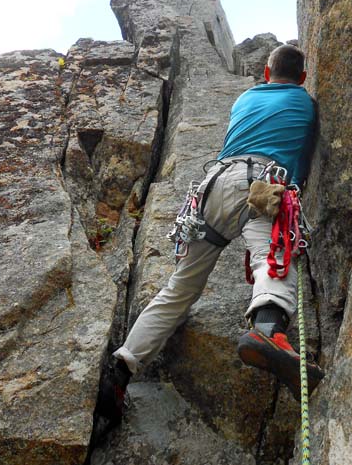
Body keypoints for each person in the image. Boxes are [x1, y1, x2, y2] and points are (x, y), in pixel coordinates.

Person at [97, 44, 324, 424]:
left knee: (179, 288)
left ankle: (122, 369)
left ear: (266, 74)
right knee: (273, 256)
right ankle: (268, 329)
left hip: (212, 187)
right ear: (302, 77)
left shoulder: (246, 98)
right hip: (262, 184)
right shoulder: (304, 102)